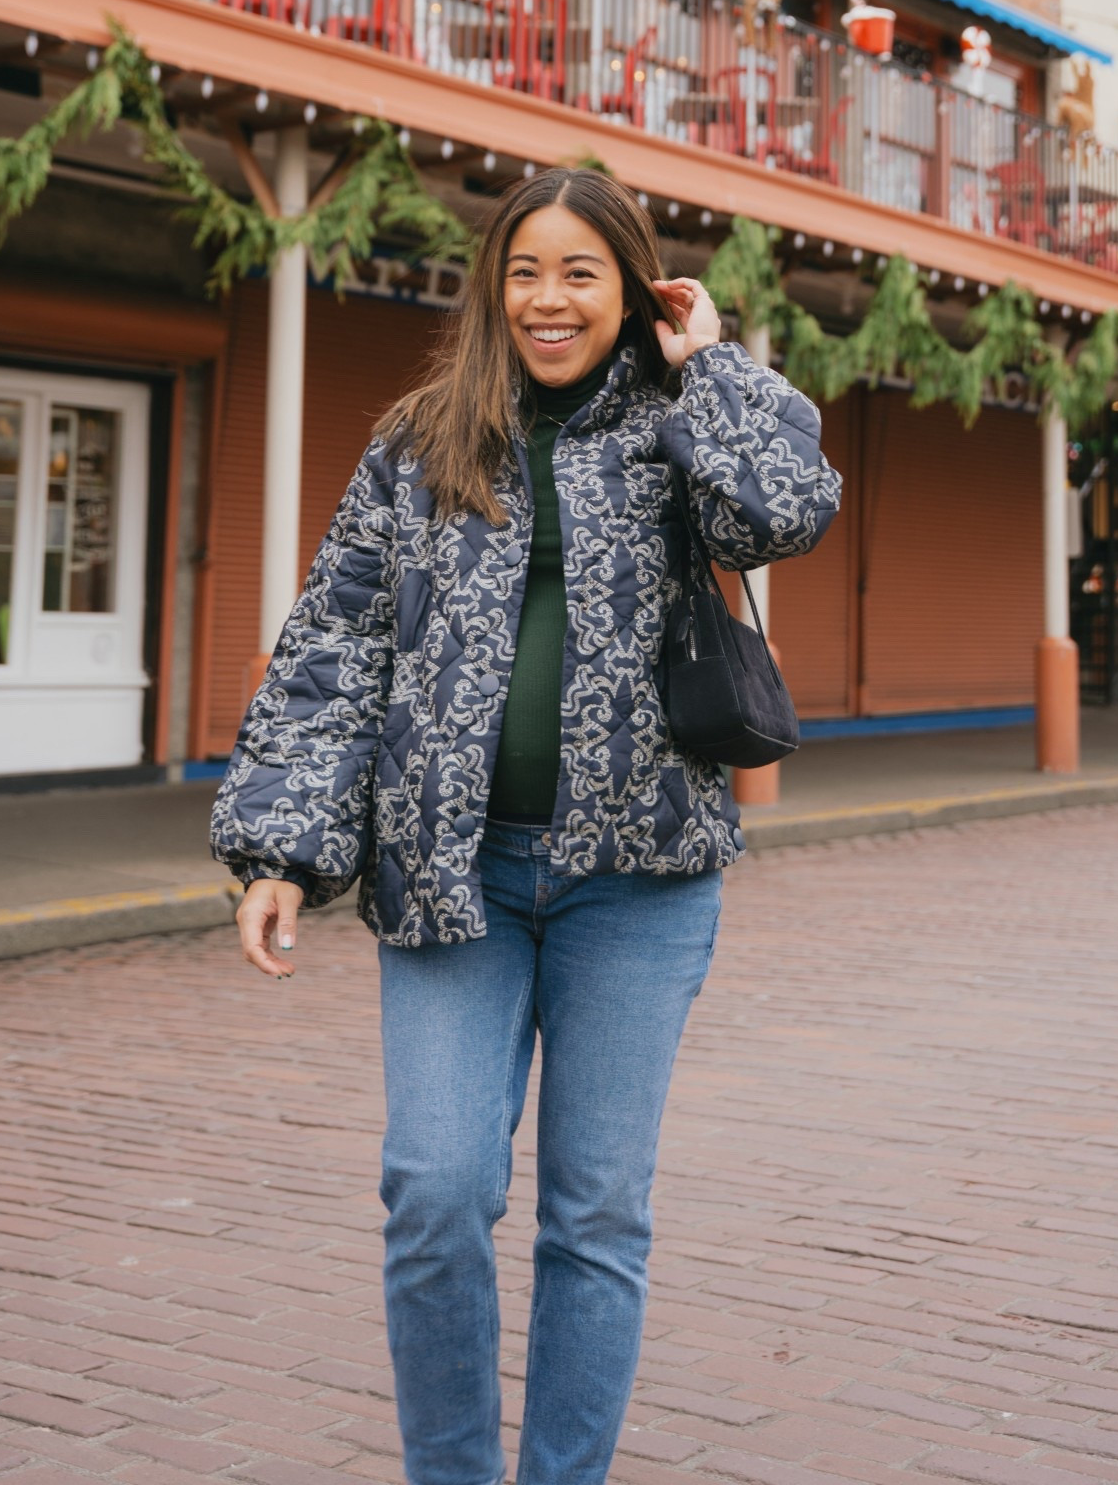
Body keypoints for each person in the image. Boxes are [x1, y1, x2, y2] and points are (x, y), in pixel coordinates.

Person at [211, 168, 841, 1485]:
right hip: (453, 877)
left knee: (593, 1215)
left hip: (641, 882)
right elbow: (335, 646)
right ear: (493, 289)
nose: (547, 300)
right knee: (435, 1192)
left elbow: (783, 512)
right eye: (524, 272)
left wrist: (710, 364)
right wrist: (278, 846)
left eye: (579, 274)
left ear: (630, 290)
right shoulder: (416, 441)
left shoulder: (685, 422)